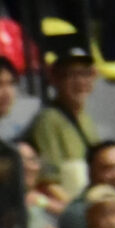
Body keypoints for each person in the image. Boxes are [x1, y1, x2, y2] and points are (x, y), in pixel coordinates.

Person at [29, 46, 102, 202]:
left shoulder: (86, 119)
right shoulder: (48, 120)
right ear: (55, 79)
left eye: (85, 74)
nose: (80, 81)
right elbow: (48, 182)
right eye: (71, 75)